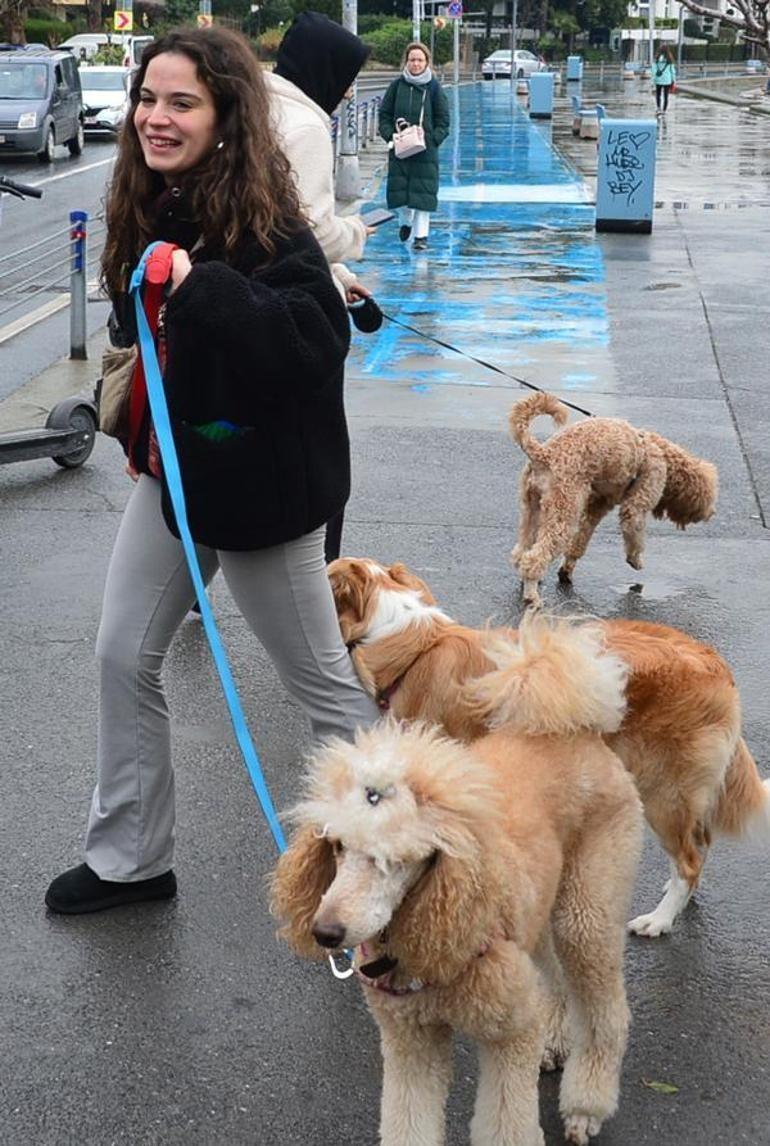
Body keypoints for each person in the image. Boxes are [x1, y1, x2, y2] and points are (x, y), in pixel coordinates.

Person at [45, 26, 379, 916]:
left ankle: (406, 867)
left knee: (323, 691)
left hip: (268, 495)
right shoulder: (154, 201)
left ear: (227, 118)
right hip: (179, 482)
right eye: (148, 99)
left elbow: (316, 342)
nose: (156, 117)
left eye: (181, 102)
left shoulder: (266, 221)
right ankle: (130, 860)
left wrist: (200, 286)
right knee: (123, 655)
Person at [265, 10, 374, 563]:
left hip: (232, 298)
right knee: (321, 463)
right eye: (347, 77)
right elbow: (307, 232)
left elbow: (269, 225)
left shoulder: (251, 104)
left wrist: (341, 278)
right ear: (324, 69)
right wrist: (353, 237)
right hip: (294, 319)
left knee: (224, 446)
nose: (350, 89)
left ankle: (190, 583)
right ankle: (324, 577)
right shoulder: (305, 127)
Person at [379, 42, 450, 252]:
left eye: (420, 60)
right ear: (406, 61)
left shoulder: (434, 88)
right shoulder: (396, 86)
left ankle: (421, 237)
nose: (416, 64)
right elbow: (384, 115)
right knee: (401, 195)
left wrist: (432, 140)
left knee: (422, 196)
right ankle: (405, 222)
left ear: (427, 62)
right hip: (400, 149)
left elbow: (443, 120)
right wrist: (389, 136)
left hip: (425, 152)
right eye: (412, 60)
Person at [653, 46, 676, 116]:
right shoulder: (670, 60)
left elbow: (653, 70)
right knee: (666, 96)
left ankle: (658, 108)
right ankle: (664, 110)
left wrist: (653, 79)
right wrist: (673, 80)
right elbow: (672, 71)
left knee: (658, 95)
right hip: (667, 80)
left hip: (658, 79)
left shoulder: (657, 59)